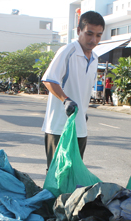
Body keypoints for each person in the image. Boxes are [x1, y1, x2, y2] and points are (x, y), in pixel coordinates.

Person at [41, 10, 104, 169]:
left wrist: (83, 111)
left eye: (98, 35)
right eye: (89, 33)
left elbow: (81, 87)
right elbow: (48, 80)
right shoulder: (67, 51)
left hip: (80, 127)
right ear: (78, 31)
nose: (93, 39)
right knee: (57, 173)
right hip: (59, 127)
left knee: (74, 172)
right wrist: (65, 100)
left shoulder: (95, 58)